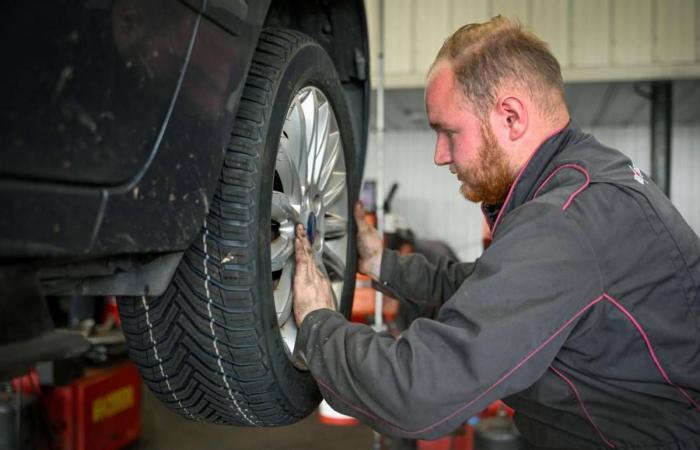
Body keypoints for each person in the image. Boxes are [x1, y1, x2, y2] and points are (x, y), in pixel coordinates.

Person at [291, 16, 700, 449]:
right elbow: (491, 289)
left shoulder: (565, 221)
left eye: (448, 131)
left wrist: (319, 326)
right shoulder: (588, 179)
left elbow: (417, 394)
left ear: (510, 116)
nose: (439, 155)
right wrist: (381, 263)